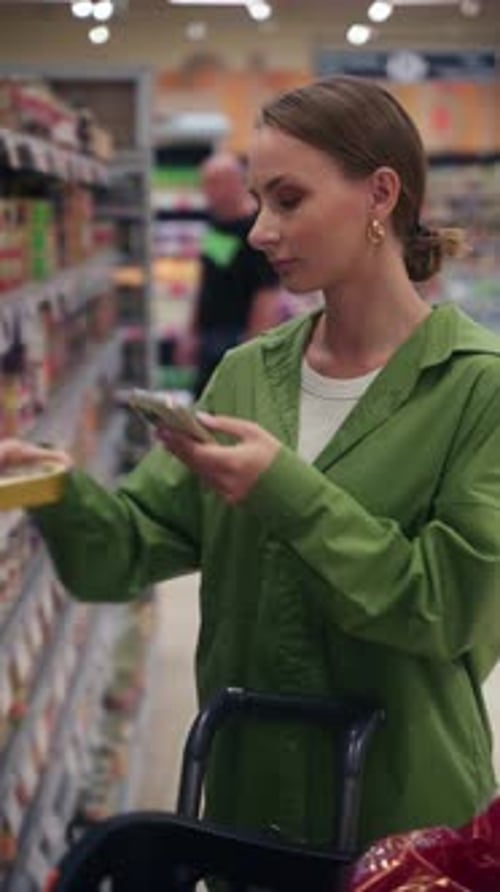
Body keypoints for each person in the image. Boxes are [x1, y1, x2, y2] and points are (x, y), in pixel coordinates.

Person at [3, 75, 500, 853]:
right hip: (243, 804)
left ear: (380, 194)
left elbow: (442, 613)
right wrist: (54, 486)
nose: (262, 230)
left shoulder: (480, 387)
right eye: (259, 201)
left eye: (288, 200)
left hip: (405, 827)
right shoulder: (246, 374)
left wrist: (285, 491)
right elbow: (124, 550)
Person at [175, 150, 282, 397]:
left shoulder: (256, 231)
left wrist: (251, 352)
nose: (206, 191)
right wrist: (190, 332)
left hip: (239, 337)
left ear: (236, 183)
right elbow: (207, 279)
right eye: (204, 184)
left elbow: (267, 293)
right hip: (210, 338)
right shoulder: (216, 225)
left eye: (213, 183)